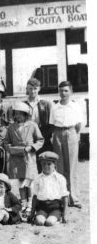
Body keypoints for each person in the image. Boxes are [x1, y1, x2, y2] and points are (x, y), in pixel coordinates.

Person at [4, 101, 44, 217]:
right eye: (16, 114)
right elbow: (6, 141)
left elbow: (40, 140)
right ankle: (23, 203)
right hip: (16, 158)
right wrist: (9, 148)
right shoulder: (11, 127)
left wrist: (31, 147)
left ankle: (30, 205)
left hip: (29, 157)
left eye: (21, 114)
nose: (18, 116)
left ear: (26, 114)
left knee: (30, 181)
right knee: (21, 182)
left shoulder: (32, 125)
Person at [49, 81, 83, 209]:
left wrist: (72, 133)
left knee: (72, 166)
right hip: (58, 133)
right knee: (60, 166)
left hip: (71, 132)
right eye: (61, 90)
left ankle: (74, 198)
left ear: (71, 92)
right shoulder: (55, 107)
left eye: (66, 91)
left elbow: (79, 125)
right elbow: (52, 124)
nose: (63, 93)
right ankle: (62, 198)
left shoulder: (75, 106)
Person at [29, 151, 69, 226]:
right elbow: (35, 197)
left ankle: (56, 218)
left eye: (49, 164)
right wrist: (32, 213)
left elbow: (65, 197)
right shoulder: (38, 178)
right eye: (44, 164)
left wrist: (65, 215)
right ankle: (39, 216)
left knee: (49, 223)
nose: (46, 166)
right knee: (39, 222)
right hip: (42, 207)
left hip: (55, 207)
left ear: (54, 165)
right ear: (41, 164)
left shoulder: (60, 178)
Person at [24, 78, 53, 158]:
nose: (33, 91)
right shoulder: (23, 104)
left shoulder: (46, 104)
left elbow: (51, 122)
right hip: (28, 136)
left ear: (39, 89)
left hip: (43, 136)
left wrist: (48, 136)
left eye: (35, 89)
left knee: (43, 159)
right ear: (27, 89)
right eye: (30, 89)